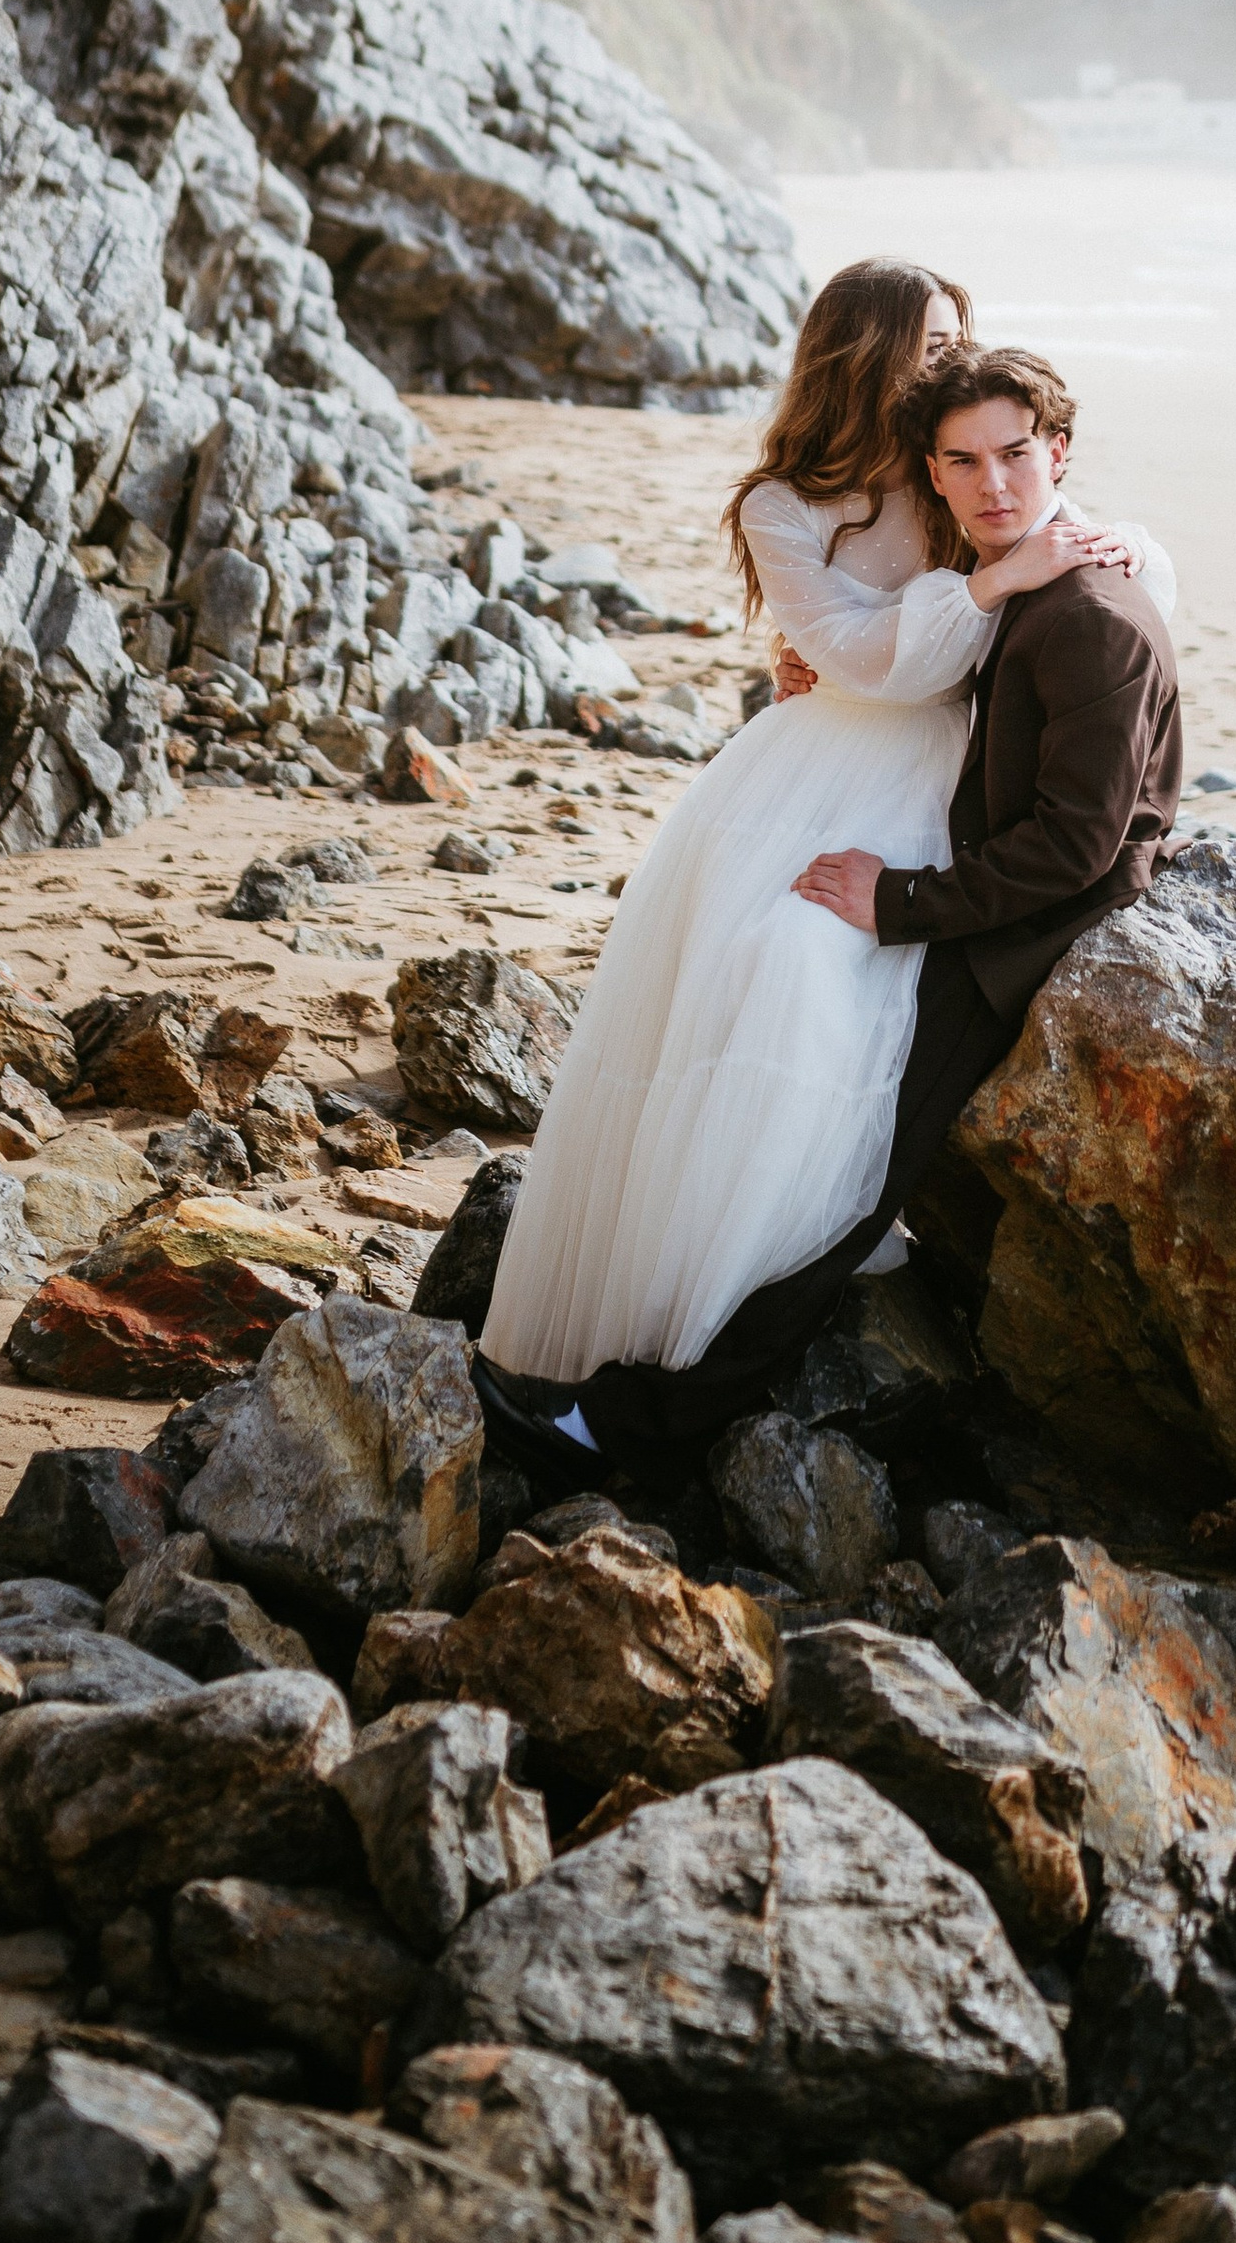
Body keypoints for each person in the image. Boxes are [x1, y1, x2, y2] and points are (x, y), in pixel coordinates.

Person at [476, 261, 1171, 1473]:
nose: (950, 361)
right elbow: (863, 659)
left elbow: (1081, 555)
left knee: (824, 1013)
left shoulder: (966, 460)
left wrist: (1105, 550)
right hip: (816, 767)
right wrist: (990, 581)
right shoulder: (792, 503)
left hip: (949, 791)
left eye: (962, 336)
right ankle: (645, 1346)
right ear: (867, 351)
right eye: (929, 341)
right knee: (744, 994)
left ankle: (680, 1382)